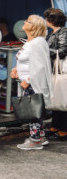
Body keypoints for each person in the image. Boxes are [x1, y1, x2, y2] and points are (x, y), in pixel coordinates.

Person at [10, 14, 53, 150]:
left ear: (33, 27)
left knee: (33, 111)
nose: (24, 22)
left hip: (33, 83)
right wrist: (16, 68)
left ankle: (34, 140)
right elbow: (27, 60)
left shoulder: (37, 43)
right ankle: (40, 136)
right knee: (35, 110)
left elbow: (40, 66)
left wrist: (28, 80)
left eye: (27, 21)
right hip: (28, 81)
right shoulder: (30, 42)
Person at [44, 8, 67, 138]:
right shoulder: (53, 32)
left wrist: (44, 51)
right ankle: (55, 126)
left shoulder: (63, 32)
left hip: (62, 70)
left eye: (47, 18)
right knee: (56, 98)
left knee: (62, 98)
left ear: (52, 20)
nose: (45, 20)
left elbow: (62, 51)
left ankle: (63, 130)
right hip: (55, 69)